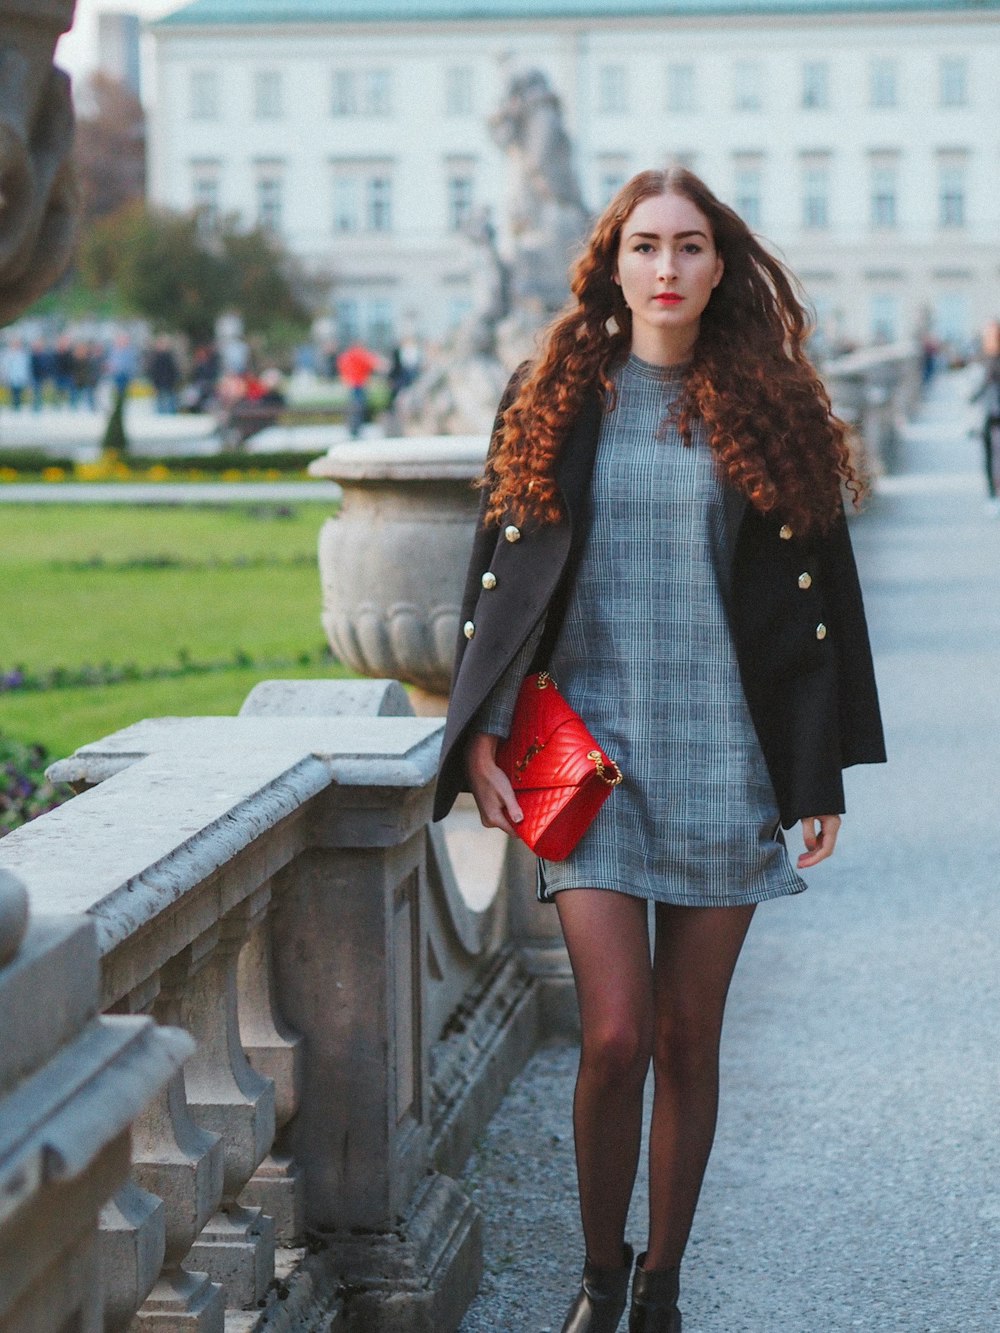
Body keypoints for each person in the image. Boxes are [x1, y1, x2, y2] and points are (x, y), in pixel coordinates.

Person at [433, 168, 886, 1333]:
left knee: (690, 1038)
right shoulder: (556, 395)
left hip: (725, 759)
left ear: (719, 265)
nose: (668, 268)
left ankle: (661, 1289)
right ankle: (594, 1275)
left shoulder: (770, 407)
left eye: (690, 246)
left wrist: (817, 770)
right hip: (587, 758)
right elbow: (495, 573)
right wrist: (480, 731)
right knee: (617, 1033)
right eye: (645, 246)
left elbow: (819, 601)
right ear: (614, 263)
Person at [972, 317, 1000, 508]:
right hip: (990, 413)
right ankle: (992, 495)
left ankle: (992, 495)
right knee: (991, 455)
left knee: (991, 456)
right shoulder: (986, 361)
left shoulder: (987, 361)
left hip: (991, 412)